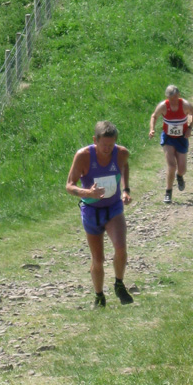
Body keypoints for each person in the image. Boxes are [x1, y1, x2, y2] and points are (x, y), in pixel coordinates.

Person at [65, 121, 134, 307]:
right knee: (98, 259)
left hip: (113, 207)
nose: (107, 149)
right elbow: (69, 185)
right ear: (95, 140)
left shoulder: (121, 153)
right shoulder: (83, 156)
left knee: (120, 248)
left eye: (111, 145)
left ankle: (119, 284)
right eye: (104, 145)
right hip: (91, 211)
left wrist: (126, 189)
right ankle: (99, 296)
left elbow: (125, 165)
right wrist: (88, 193)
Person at [149, 84, 193, 204]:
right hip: (168, 138)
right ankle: (168, 192)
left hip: (182, 137)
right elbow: (154, 116)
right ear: (167, 98)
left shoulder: (185, 105)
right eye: (171, 99)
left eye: (176, 98)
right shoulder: (163, 106)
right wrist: (152, 129)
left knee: (182, 169)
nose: (174, 101)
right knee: (171, 165)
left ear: (179, 96)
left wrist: (190, 127)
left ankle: (180, 176)